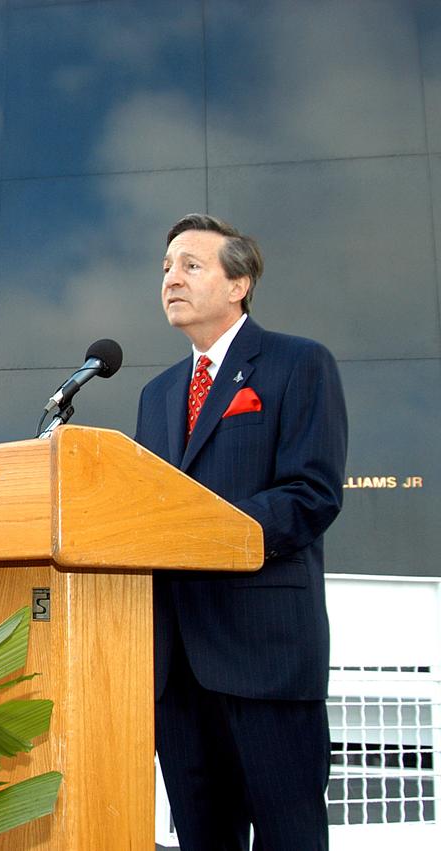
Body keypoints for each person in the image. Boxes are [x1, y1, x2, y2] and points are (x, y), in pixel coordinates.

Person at [135, 214, 348, 849]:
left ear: (240, 283)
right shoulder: (158, 392)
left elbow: (311, 494)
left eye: (191, 265)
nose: (172, 278)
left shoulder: (298, 363)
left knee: (290, 838)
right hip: (176, 668)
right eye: (166, 267)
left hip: (265, 655)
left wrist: (204, 528)